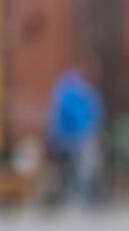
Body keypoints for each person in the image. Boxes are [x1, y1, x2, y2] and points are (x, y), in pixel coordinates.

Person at [46, 66, 104, 206]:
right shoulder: (84, 93)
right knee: (83, 168)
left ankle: (74, 196)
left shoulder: (65, 92)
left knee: (70, 169)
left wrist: (54, 134)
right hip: (80, 138)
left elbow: (57, 116)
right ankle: (81, 197)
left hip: (68, 139)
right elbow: (91, 115)